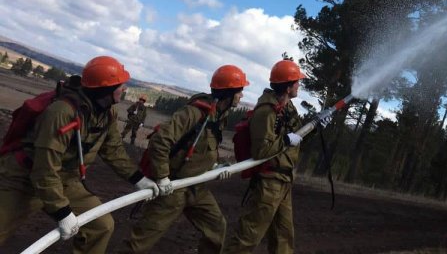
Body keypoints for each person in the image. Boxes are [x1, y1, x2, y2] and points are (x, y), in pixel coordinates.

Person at [0, 56, 159, 254]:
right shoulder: (61, 112)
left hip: (65, 181)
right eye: (121, 84)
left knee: (101, 227)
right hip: (23, 179)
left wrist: (139, 179)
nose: (124, 89)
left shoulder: (107, 114)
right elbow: (44, 168)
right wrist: (62, 211)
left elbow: (113, 150)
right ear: (106, 89)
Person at [120, 64, 250, 254]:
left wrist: (214, 167)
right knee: (140, 242)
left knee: (216, 229)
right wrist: (163, 177)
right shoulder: (194, 113)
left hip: (197, 187)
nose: (242, 96)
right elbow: (160, 140)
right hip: (173, 188)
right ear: (228, 93)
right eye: (240, 91)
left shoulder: (218, 115)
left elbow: (201, 149)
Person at [224, 59, 330, 254]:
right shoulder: (267, 111)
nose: (299, 85)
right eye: (297, 81)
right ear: (288, 86)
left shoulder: (288, 108)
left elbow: (295, 139)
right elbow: (262, 151)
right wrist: (288, 140)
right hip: (268, 182)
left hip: (284, 181)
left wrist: (315, 128)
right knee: (247, 237)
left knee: (283, 238)